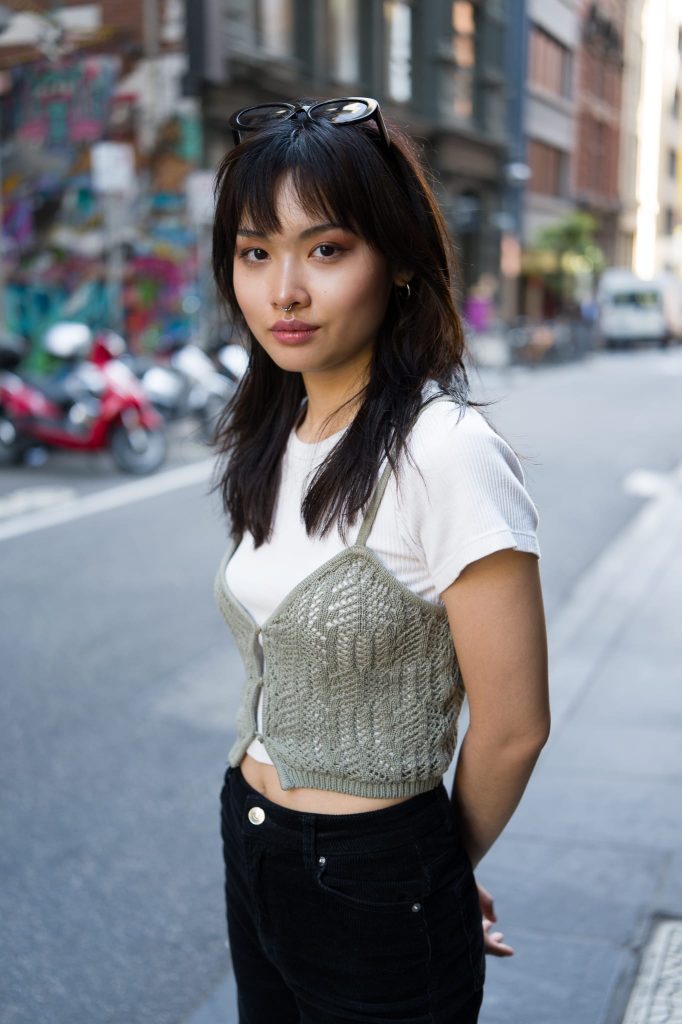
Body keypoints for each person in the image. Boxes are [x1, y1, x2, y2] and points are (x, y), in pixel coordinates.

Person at [210, 97, 550, 1024]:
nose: (283, 289)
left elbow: (514, 726)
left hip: (376, 872)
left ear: (398, 261)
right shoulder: (275, 429)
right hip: (253, 844)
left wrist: (433, 877)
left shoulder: (446, 452)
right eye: (254, 251)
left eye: (325, 250)